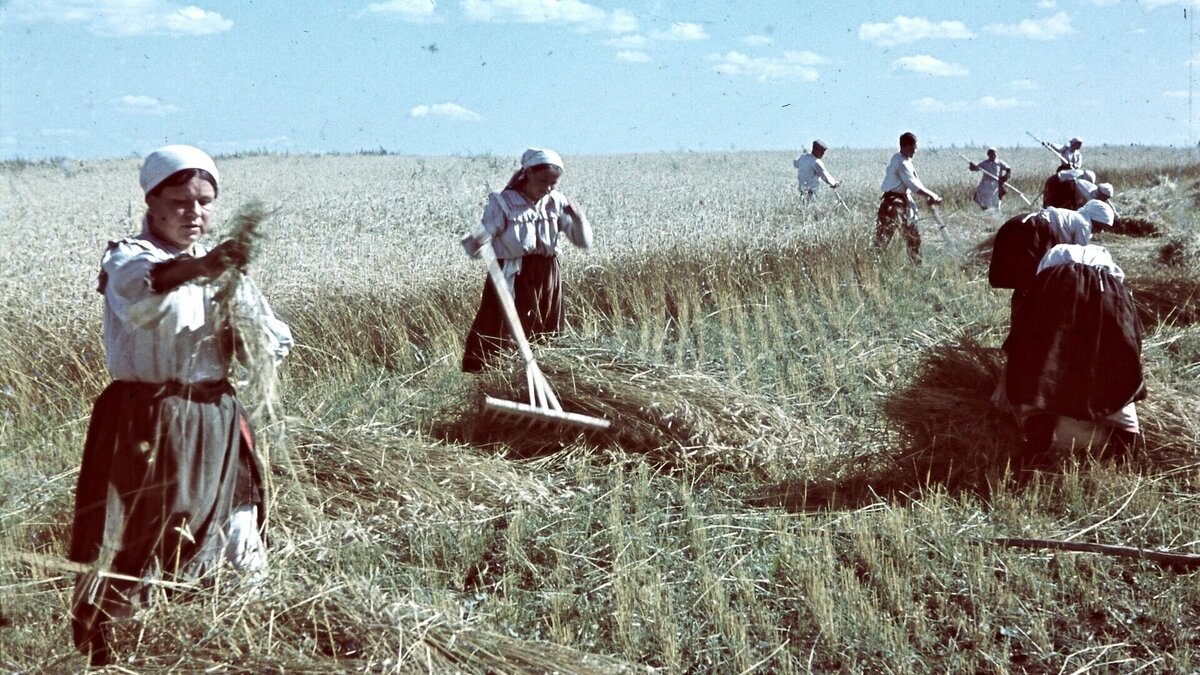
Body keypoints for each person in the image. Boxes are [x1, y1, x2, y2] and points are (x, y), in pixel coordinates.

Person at [68, 145, 293, 665]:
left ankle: (240, 637)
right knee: (147, 535)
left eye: (206, 203)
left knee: (238, 524)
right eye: (182, 201)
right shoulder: (129, 257)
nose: (195, 214)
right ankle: (122, 649)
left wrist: (246, 335)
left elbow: (273, 338)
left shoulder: (224, 272)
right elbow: (146, 287)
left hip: (216, 416)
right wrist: (203, 268)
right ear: (152, 200)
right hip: (152, 418)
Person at [1000, 243, 1144, 458]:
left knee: (1040, 353)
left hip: (1057, 286)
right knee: (1114, 356)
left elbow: (1021, 339)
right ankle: (1124, 430)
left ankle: (1037, 414)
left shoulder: (1054, 256)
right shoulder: (1103, 259)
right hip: (1108, 293)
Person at [461, 148, 593, 372]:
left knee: (545, 331)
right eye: (543, 181)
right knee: (506, 331)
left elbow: (583, 242)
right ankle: (501, 381)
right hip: (515, 276)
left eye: (554, 183)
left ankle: (544, 377)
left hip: (548, 276)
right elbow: (478, 245)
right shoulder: (504, 203)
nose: (548, 188)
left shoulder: (555, 202)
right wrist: (479, 240)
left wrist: (578, 219)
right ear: (528, 173)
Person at [876, 132, 942, 264]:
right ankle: (872, 268)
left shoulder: (903, 159)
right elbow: (914, 186)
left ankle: (915, 266)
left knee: (909, 237)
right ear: (905, 146)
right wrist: (932, 195)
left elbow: (916, 182)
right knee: (890, 238)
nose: (915, 151)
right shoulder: (901, 162)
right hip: (894, 204)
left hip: (897, 201)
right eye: (913, 148)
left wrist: (927, 196)